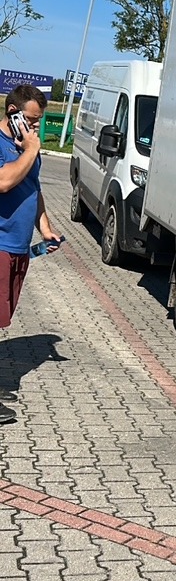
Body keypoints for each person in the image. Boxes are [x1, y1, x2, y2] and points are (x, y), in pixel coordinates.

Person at [0, 84, 63, 424]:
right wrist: (32, 148)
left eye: (39, 121)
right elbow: (4, 182)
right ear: (13, 113)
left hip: (18, 246)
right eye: (32, 120)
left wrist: (45, 227)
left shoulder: (26, 146)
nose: (37, 127)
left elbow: (31, 187)